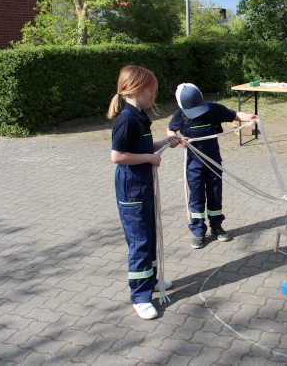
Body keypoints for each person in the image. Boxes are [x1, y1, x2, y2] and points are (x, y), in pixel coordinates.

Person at [108, 65, 181, 320]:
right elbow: (117, 156)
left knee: (149, 236)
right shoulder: (126, 119)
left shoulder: (138, 117)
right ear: (138, 89)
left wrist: (162, 144)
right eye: (152, 91)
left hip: (143, 187)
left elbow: (141, 146)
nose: (154, 96)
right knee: (139, 242)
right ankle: (140, 296)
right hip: (132, 191)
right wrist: (149, 158)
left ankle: (151, 281)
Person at [167, 83, 256, 250]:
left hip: (214, 162)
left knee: (215, 194)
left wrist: (249, 117)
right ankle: (198, 231)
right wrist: (178, 140)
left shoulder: (213, 109)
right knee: (197, 197)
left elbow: (235, 115)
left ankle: (217, 226)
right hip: (194, 165)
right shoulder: (180, 115)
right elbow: (170, 130)